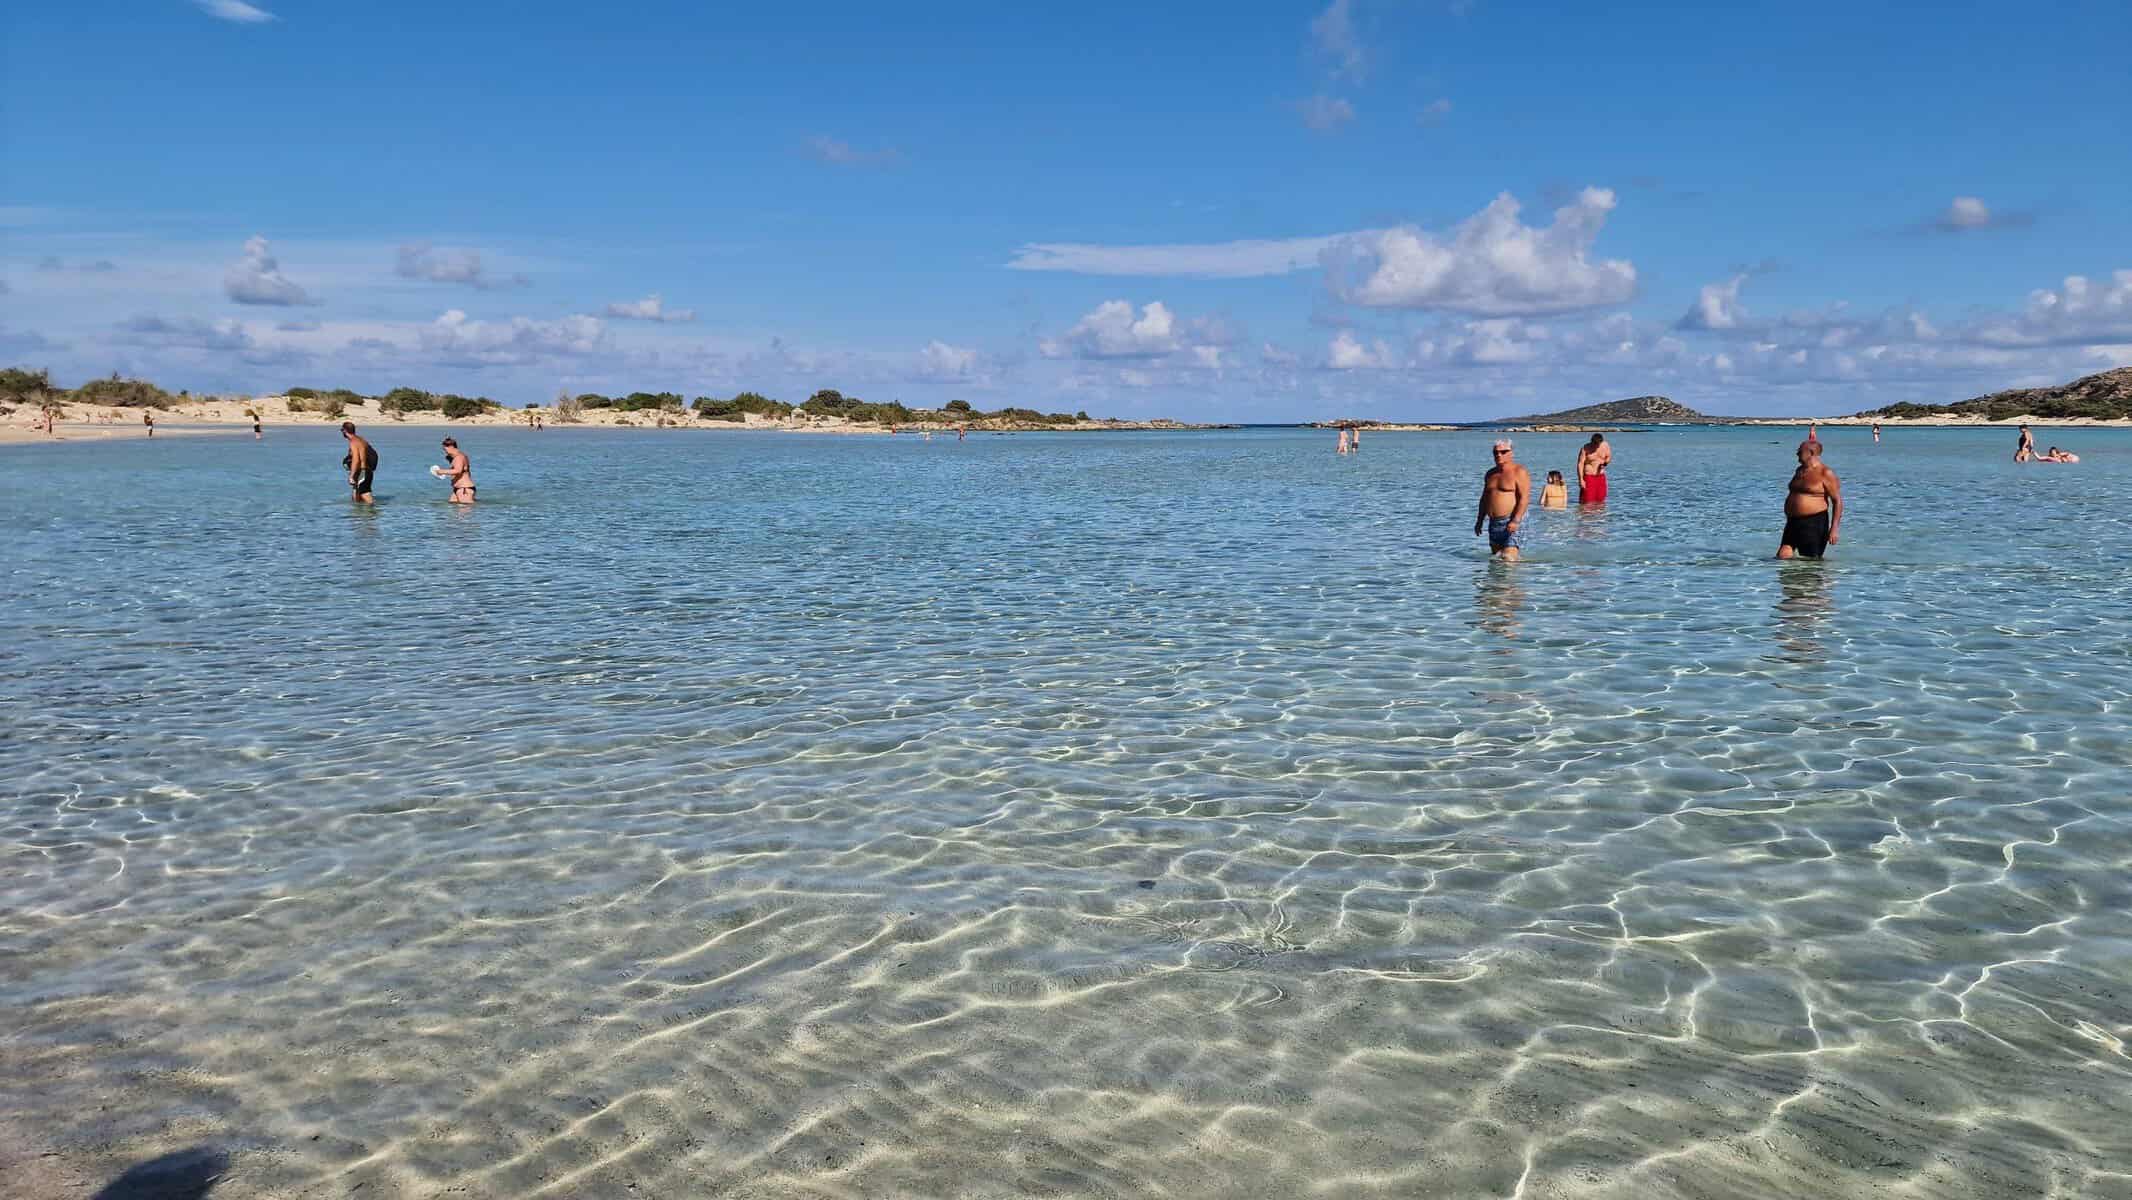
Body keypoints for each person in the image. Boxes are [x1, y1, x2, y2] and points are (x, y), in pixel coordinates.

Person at [1777, 441, 1841, 559]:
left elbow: (1837, 501)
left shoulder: (1825, 473)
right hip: (1793, 522)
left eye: (1800, 451)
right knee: (1782, 557)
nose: (1797, 453)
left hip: (1814, 522)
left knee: (1810, 562)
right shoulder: (1799, 470)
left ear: (1811, 453)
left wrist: (1834, 529)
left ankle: (1822, 577)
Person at [1474, 438, 1531, 561]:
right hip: (1494, 523)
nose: (1499, 455)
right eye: (1496, 452)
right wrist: (1479, 520)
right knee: (1496, 561)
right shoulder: (1490, 474)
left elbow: (1524, 498)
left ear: (1511, 453)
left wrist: (1515, 521)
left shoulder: (1519, 471)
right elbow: (1484, 498)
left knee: (1508, 561)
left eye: (1503, 452)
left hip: (1512, 520)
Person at [341, 421, 377, 503]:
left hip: (363, 471)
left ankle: (373, 512)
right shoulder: (361, 440)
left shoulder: (354, 442)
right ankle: (356, 514)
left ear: (344, 431)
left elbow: (356, 460)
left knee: (364, 493)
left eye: (342, 430)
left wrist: (351, 476)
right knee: (356, 491)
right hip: (365, 471)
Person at [1575, 433, 1610, 504]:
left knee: (1601, 501)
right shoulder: (1585, 448)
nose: (1596, 447)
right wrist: (1581, 479)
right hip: (1589, 476)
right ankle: (1586, 515)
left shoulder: (1605, 445)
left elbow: (1608, 456)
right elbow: (1580, 464)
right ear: (1591, 442)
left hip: (1601, 476)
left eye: (1598, 445)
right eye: (1595, 444)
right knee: (1587, 501)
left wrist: (1605, 464)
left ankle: (1599, 515)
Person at [439, 436, 475, 503]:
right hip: (458, 488)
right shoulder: (458, 457)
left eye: (445, 449)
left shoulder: (459, 457)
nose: (445, 451)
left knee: (465, 509)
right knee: (452, 505)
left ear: (451, 446)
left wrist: (441, 471)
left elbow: (458, 471)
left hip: (464, 489)